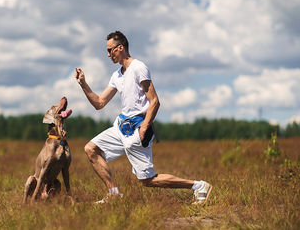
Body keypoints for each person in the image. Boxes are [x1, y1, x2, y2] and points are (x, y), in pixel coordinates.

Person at [74, 31, 212, 204]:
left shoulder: (139, 68)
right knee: (91, 149)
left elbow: (154, 101)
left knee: (148, 180)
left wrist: (145, 127)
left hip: (138, 129)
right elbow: (100, 103)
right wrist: (83, 84)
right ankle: (114, 194)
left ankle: (198, 186)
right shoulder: (116, 75)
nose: (108, 55)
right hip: (121, 126)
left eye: (110, 50)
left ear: (121, 48)